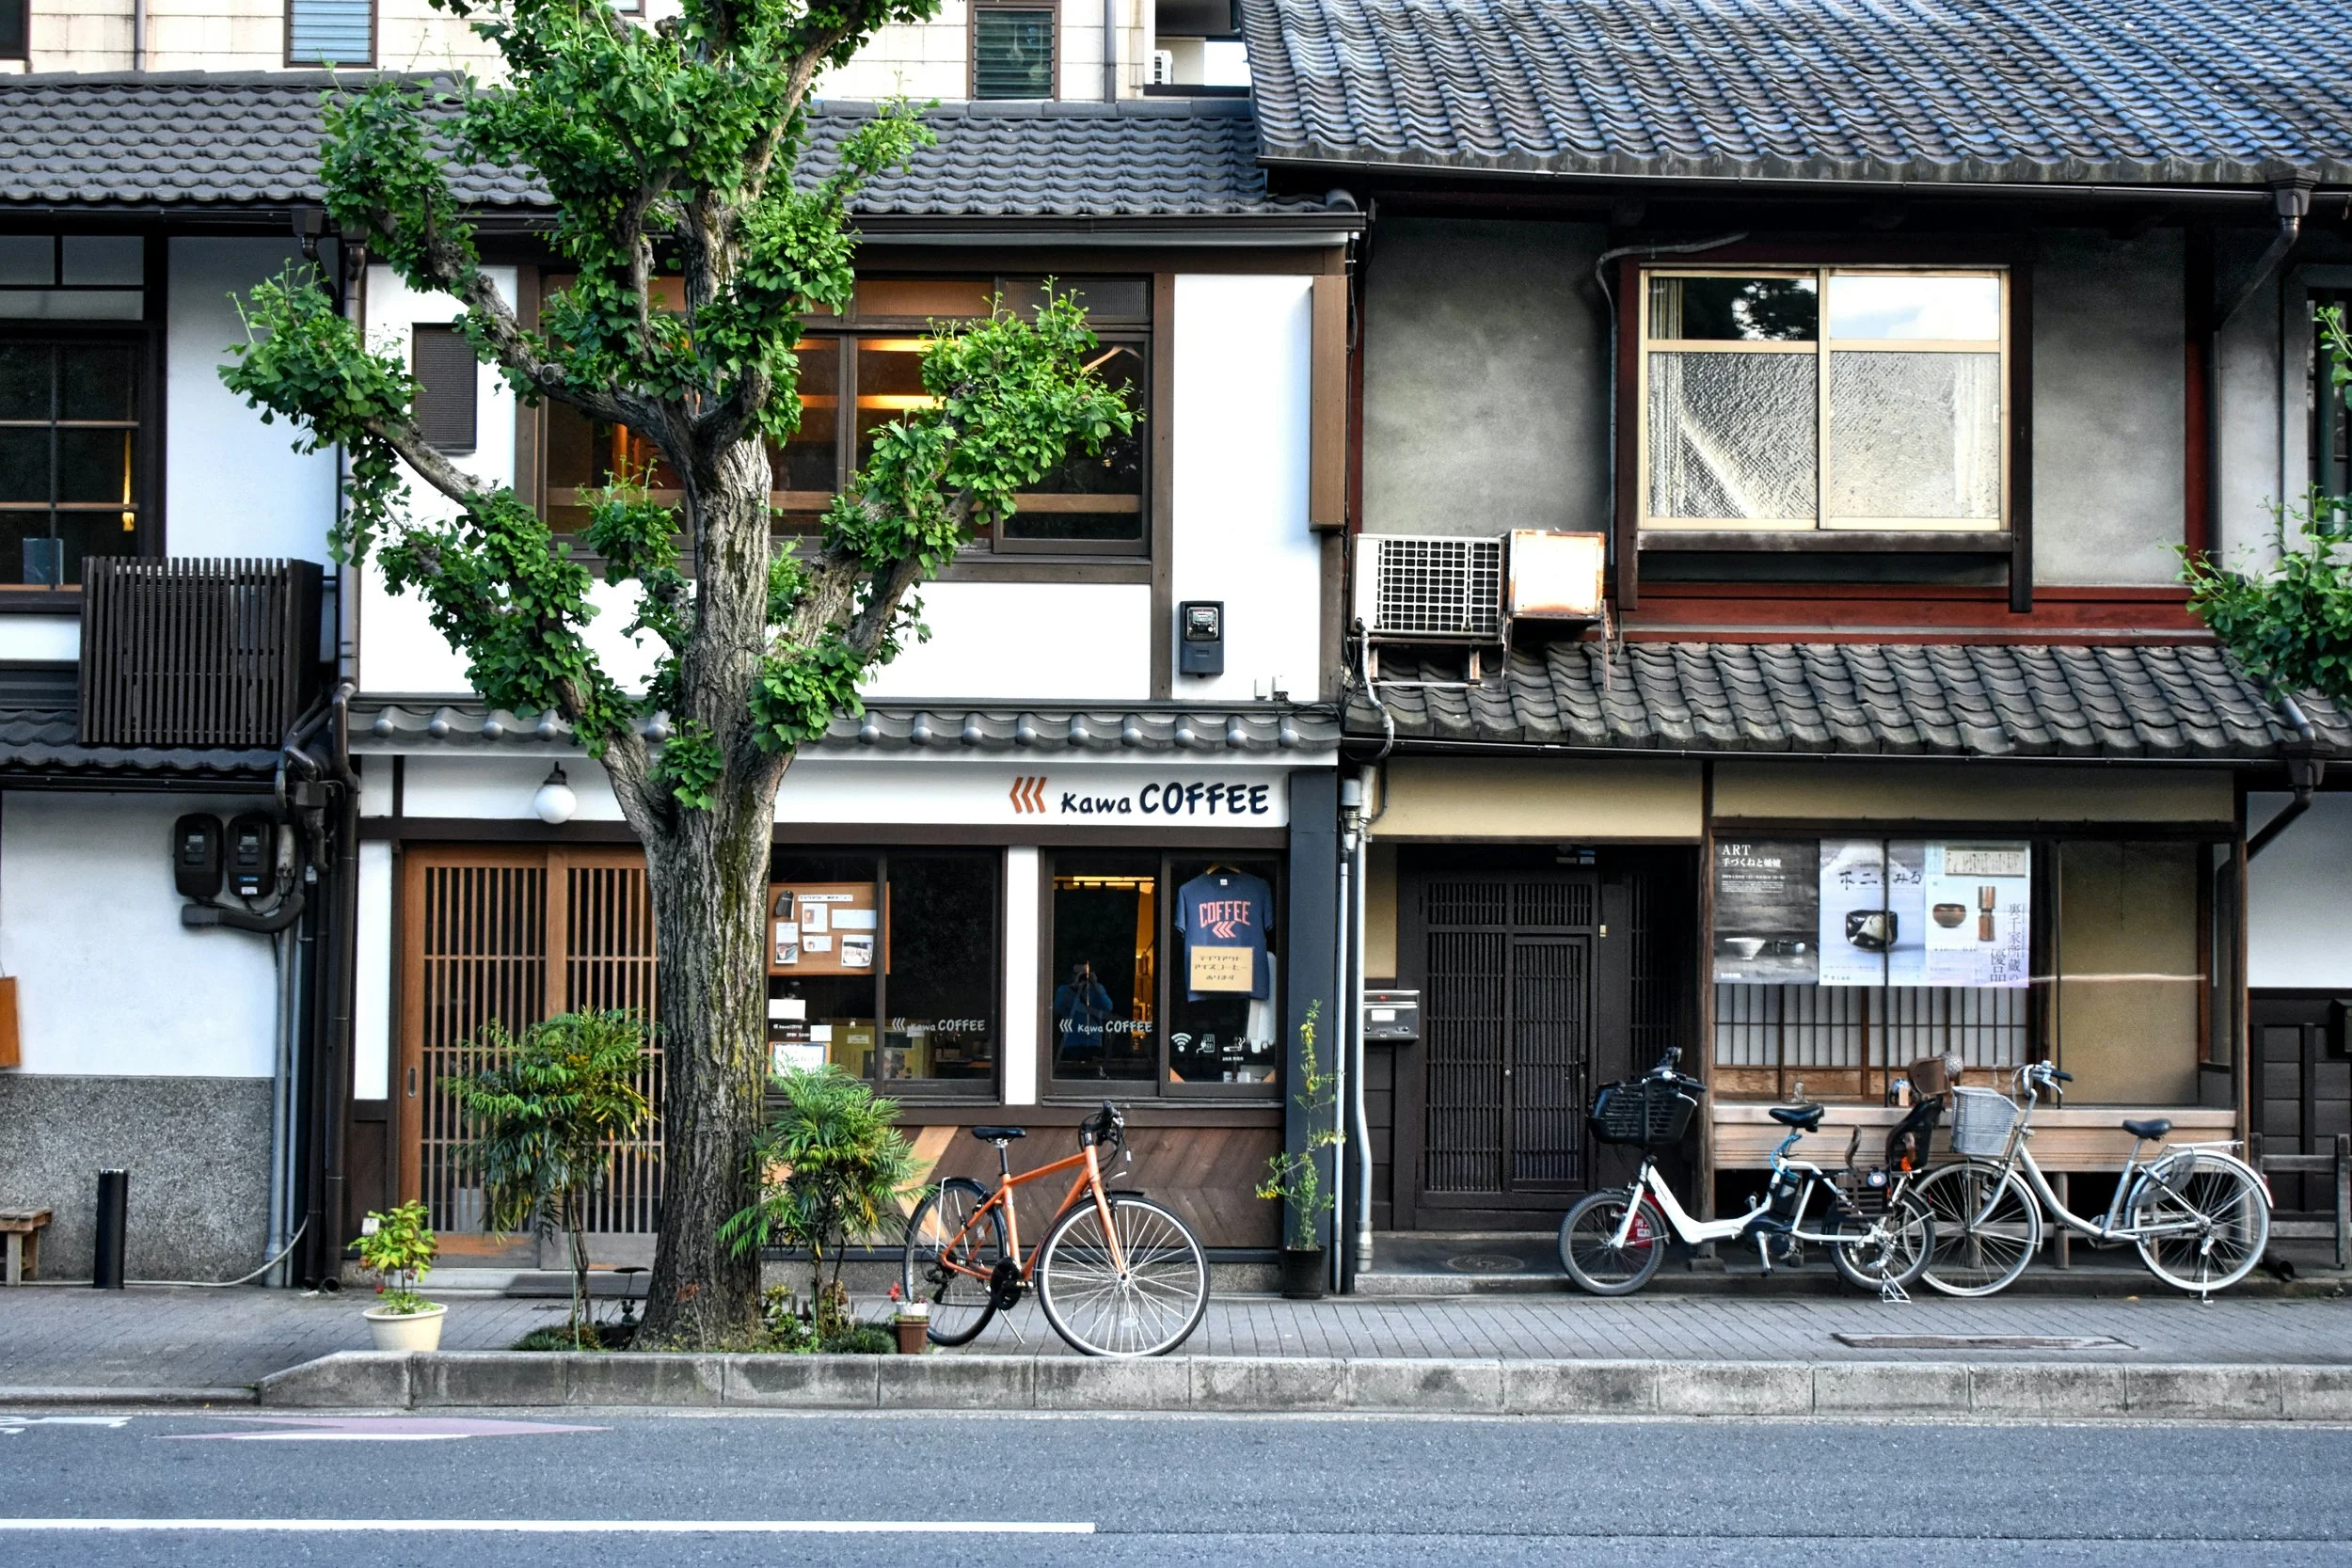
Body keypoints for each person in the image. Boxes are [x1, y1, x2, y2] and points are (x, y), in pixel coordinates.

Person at [1053, 960, 1116, 1076]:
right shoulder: (1064, 990)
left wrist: (1095, 985)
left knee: (1093, 1075)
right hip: (1072, 1042)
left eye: (1084, 975)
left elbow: (1108, 1007)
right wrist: (1073, 988)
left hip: (1094, 1042)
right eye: (1078, 974)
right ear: (1072, 975)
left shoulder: (1097, 990)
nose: (1082, 977)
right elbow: (1056, 1009)